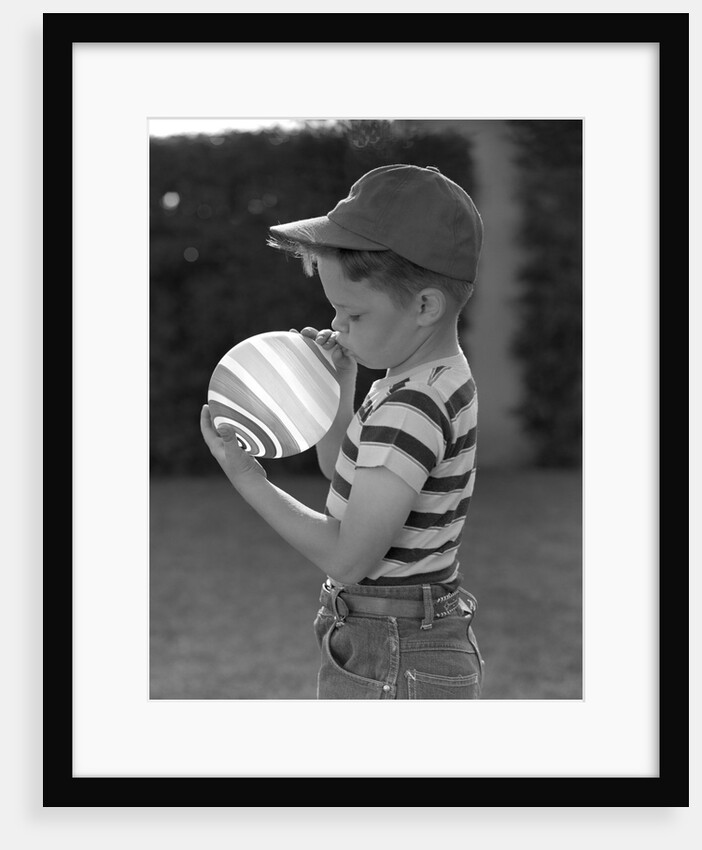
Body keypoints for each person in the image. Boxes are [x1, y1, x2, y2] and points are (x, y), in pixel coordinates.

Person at [200, 163, 486, 699]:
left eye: (351, 314)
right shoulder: (425, 381)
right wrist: (342, 387)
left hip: (393, 645)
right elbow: (344, 476)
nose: (337, 327)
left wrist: (247, 477)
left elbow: (350, 557)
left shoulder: (412, 404)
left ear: (425, 306)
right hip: (403, 634)